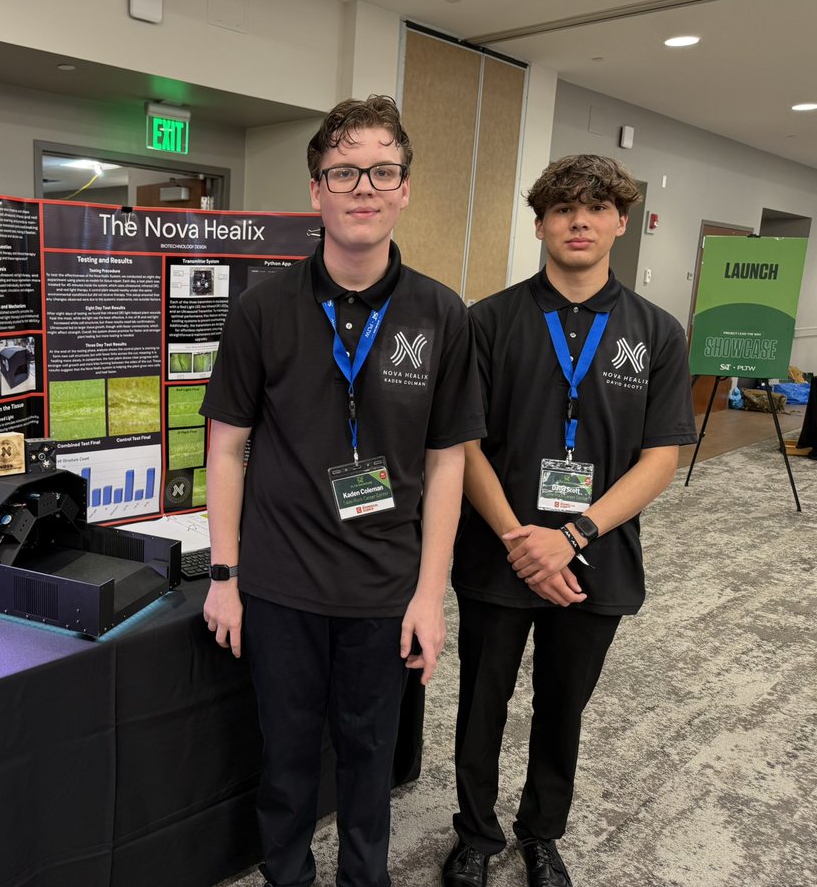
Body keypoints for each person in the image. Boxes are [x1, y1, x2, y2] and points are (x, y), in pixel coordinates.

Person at [200, 95, 485, 887]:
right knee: (286, 761)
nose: (364, 186)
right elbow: (225, 449)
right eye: (344, 170)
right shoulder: (263, 309)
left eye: (382, 170)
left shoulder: (441, 313)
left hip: (384, 589)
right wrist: (224, 575)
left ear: (403, 190)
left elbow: (447, 464)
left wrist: (432, 596)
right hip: (280, 584)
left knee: (369, 762)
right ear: (317, 191)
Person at [441, 155, 697, 887]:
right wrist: (524, 544)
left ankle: (542, 833)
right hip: (499, 552)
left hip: (598, 556)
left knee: (562, 706)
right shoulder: (487, 322)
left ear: (621, 221)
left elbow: (659, 459)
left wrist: (571, 537)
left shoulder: (656, 331)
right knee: (482, 703)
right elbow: (465, 441)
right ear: (540, 224)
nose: (578, 221)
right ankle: (476, 836)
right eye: (561, 209)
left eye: (595, 209)